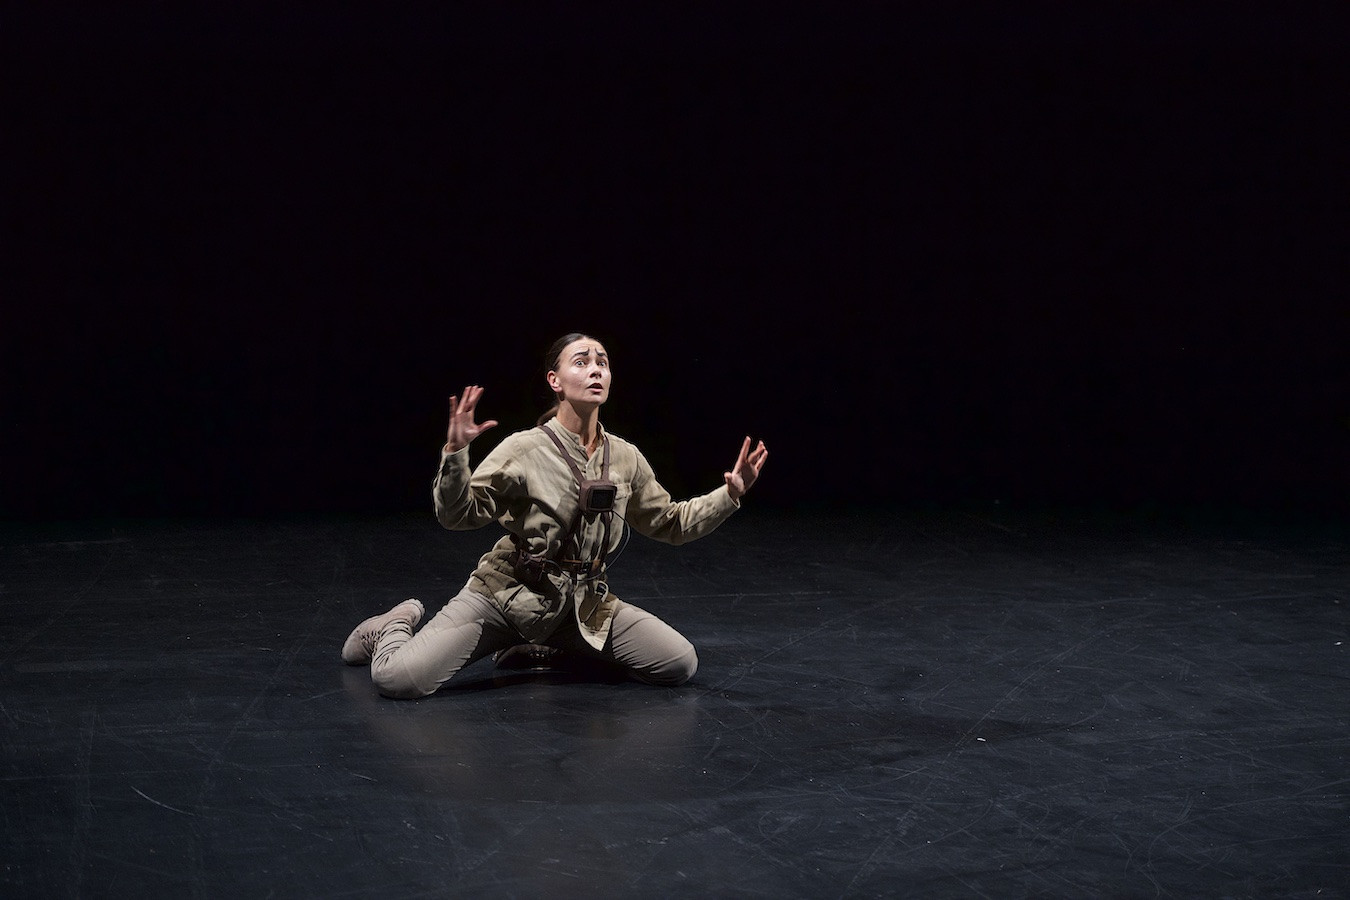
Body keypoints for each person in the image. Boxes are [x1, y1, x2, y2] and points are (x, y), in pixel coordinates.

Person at [341, 332, 768, 699]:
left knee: (678, 663)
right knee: (398, 679)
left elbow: (670, 523)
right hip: (505, 597)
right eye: (581, 362)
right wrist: (456, 454)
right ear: (555, 381)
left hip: (579, 606)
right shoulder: (525, 449)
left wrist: (729, 494)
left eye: (602, 362)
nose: (595, 369)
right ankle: (392, 625)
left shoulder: (625, 458)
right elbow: (458, 515)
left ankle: (544, 646)